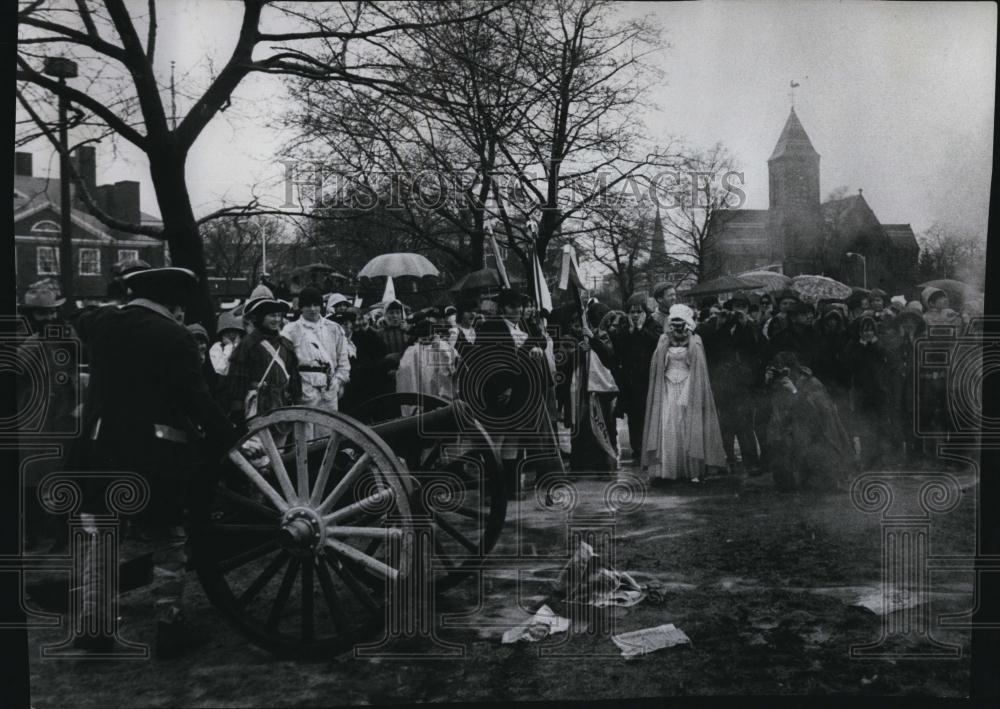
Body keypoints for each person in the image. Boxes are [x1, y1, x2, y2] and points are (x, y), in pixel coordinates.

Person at [69, 267, 241, 657]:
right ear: (173, 303)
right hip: (151, 455)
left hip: (97, 449)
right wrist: (230, 438)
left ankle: (94, 626)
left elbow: (78, 318)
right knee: (168, 538)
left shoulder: (102, 323)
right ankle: (170, 624)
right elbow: (195, 399)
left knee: (102, 537)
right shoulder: (174, 336)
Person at [466, 288, 545, 499]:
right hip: (498, 391)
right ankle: (492, 492)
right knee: (496, 441)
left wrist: (534, 348)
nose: (517, 310)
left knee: (512, 440)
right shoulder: (492, 327)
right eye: (512, 306)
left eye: (519, 306)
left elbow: (538, 341)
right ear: (502, 308)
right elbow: (489, 359)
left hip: (520, 391)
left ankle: (510, 488)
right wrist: (504, 385)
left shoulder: (523, 326)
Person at [641, 304, 726, 484]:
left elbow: (698, 365)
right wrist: (665, 346)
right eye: (674, 322)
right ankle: (667, 468)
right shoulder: (664, 339)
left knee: (687, 424)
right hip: (668, 387)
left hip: (689, 385)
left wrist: (690, 339)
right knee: (668, 424)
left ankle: (692, 469)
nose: (677, 326)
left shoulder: (695, 340)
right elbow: (657, 364)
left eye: (680, 322)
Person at [764, 351, 856, 491]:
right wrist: (768, 383)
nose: (782, 373)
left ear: (792, 368)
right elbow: (775, 410)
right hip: (792, 434)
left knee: (816, 481)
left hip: (815, 435)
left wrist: (794, 391)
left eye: (784, 369)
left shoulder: (810, 382)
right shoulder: (780, 383)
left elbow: (818, 412)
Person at [696, 295, 761, 474]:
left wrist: (745, 324)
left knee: (745, 423)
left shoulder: (750, 326)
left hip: (742, 382)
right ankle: (729, 459)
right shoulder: (719, 325)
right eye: (736, 306)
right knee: (725, 424)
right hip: (722, 381)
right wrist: (719, 323)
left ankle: (751, 462)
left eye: (743, 306)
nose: (739, 310)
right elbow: (706, 343)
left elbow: (756, 348)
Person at [227, 295, 301, 447]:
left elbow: (294, 378)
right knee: (259, 454)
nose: (277, 319)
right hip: (257, 409)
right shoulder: (248, 345)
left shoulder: (286, 345)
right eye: (272, 315)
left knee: (280, 453)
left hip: (283, 407)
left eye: (279, 315)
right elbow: (237, 381)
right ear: (260, 318)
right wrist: (237, 413)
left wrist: (298, 403)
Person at [280, 287, 351, 433]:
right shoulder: (290, 330)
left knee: (328, 433)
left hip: (329, 387)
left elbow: (343, 361)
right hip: (304, 389)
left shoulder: (334, 328)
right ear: (301, 307)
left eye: (316, 305)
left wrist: (338, 382)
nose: (312, 309)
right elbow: (284, 363)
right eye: (308, 305)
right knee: (305, 435)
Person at [609, 292, 662, 460]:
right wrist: (630, 331)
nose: (635, 315)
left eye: (639, 311)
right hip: (630, 381)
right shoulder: (624, 327)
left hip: (648, 379)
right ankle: (637, 449)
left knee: (648, 414)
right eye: (632, 312)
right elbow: (618, 348)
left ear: (646, 312)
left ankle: (649, 449)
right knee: (633, 417)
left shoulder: (654, 325)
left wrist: (640, 330)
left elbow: (656, 342)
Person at [845, 315, 894, 469]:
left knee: (881, 425)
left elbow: (889, 358)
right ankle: (867, 457)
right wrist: (862, 346)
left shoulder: (880, 343)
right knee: (864, 425)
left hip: (879, 390)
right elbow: (850, 363)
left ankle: (881, 458)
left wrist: (874, 344)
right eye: (865, 330)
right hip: (861, 392)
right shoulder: (854, 345)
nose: (868, 333)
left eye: (871, 330)